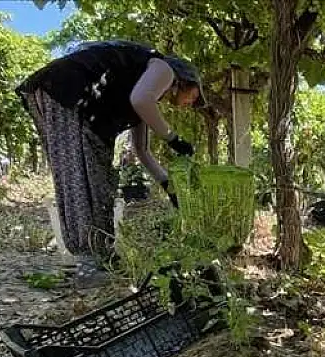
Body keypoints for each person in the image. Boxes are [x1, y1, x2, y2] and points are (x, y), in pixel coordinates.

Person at [16, 40, 204, 281]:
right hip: (68, 93)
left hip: (77, 105)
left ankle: (100, 256)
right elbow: (140, 100)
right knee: (81, 180)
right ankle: (89, 261)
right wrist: (173, 138)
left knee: (98, 182)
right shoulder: (163, 68)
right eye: (195, 96)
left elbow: (141, 150)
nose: (191, 104)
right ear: (185, 79)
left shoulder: (145, 90)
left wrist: (169, 185)